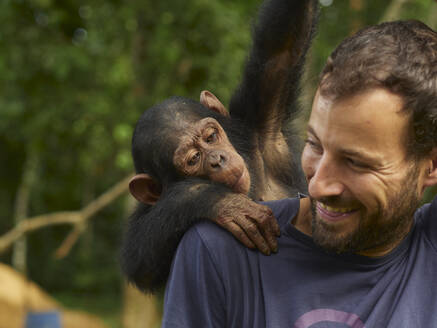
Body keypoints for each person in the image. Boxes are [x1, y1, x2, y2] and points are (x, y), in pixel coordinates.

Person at [162, 20, 437, 328]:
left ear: (432, 165)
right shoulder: (220, 252)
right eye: (314, 145)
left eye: (356, 162)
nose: (317, 186)